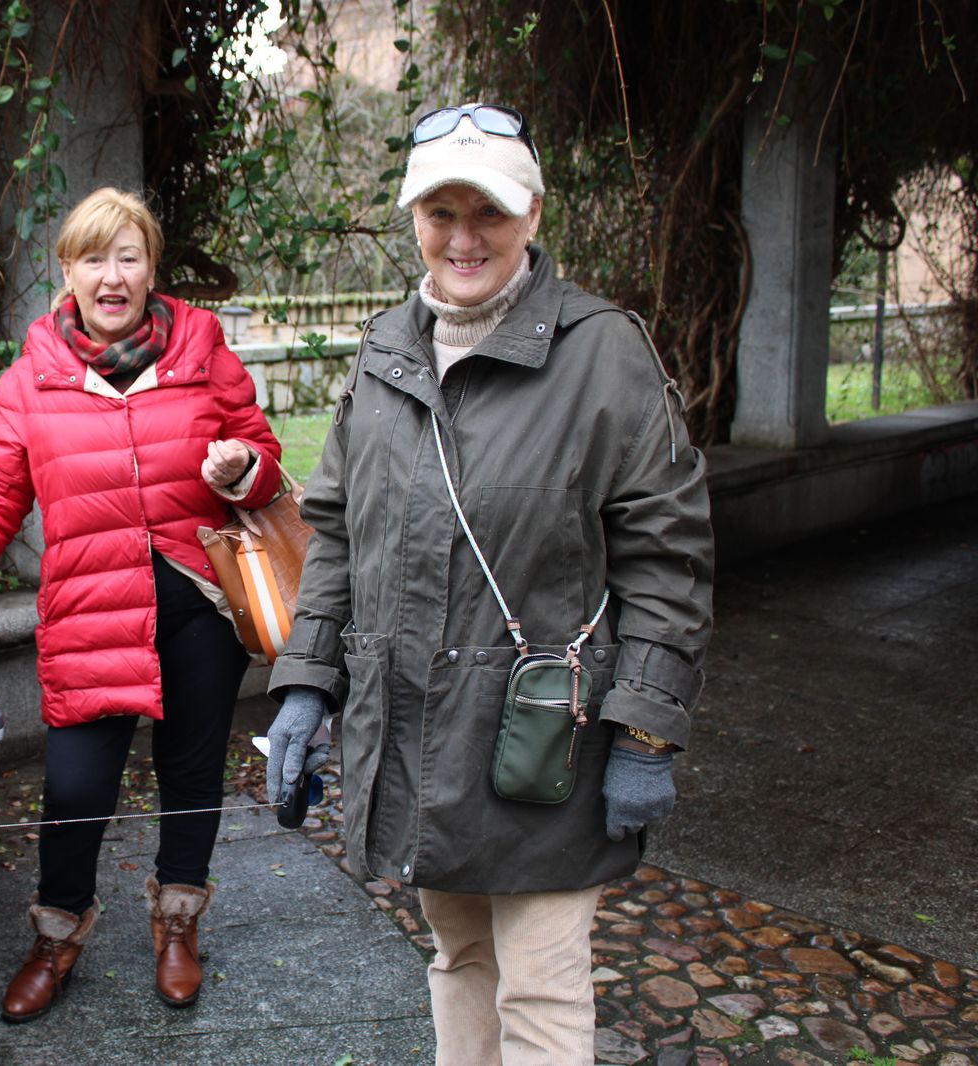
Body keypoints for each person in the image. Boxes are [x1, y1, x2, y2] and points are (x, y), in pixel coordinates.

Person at [264, 103, 714, 1065]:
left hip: (541, 738)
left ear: (535, 214)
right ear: (413, 218)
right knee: (458, 955)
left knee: (544, 989)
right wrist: (307, 681)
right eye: (441, 213)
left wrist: (645, 730)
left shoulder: (604, 353)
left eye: (489, 213)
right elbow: (339, 531)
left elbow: (667, 557)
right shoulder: (386, 348)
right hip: (416, 725)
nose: (463, 238)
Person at [0, 187, 284, 1022]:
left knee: (193, 776)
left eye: (128, 256)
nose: (112, 275)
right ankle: (56, 938)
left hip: (199, 606)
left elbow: (264, 457)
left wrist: (241, 468)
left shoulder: (203, 348)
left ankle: (178, 924)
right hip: (92, 612)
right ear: (68, 271)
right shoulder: (33, 381)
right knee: (75, 789)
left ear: (150, 268)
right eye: (94, 257)